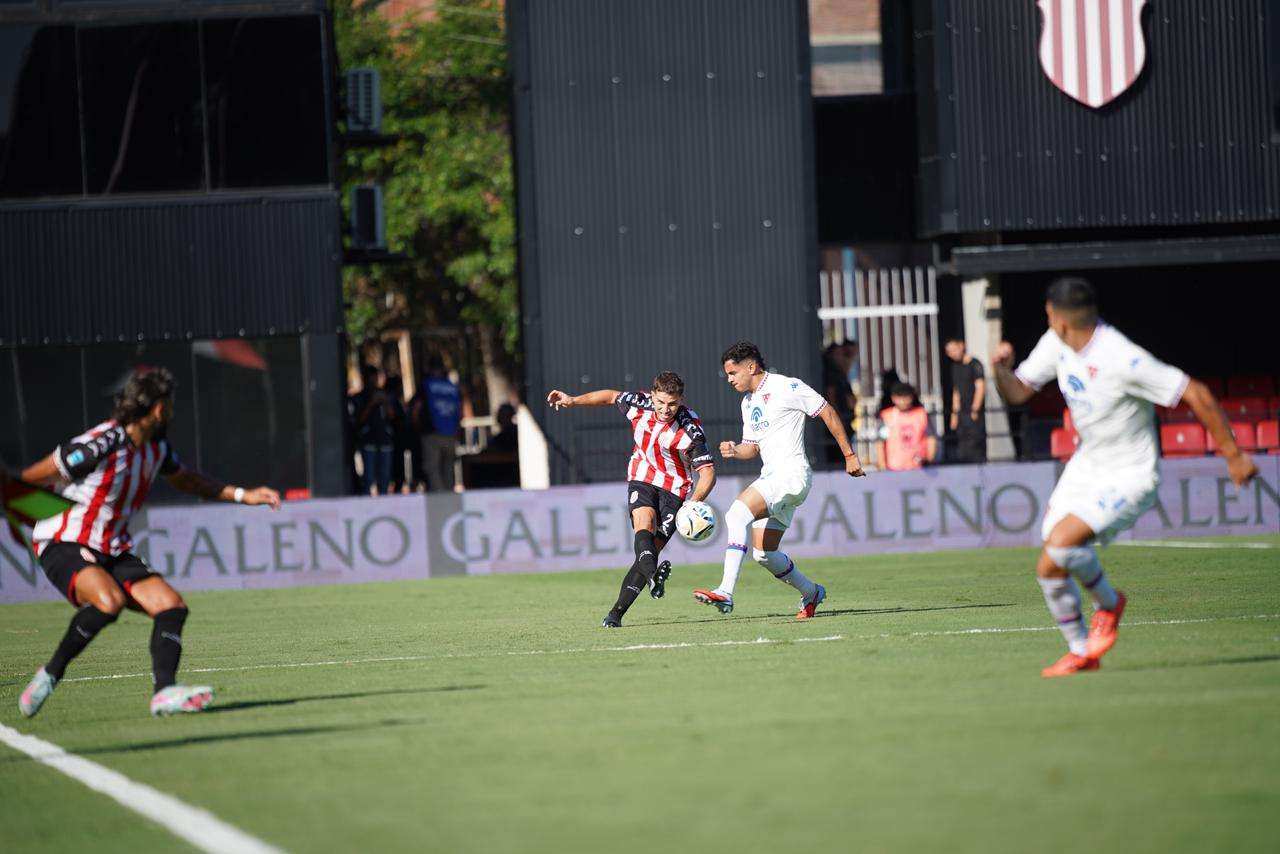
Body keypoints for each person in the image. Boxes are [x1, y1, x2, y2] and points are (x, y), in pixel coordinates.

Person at [992, 277, 1258, 678]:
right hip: (1087, 465)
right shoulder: (1055, 342)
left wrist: (1234, 456)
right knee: (1049, 566)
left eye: (1048, 312)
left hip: (1131, 474)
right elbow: (1016, 393)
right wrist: (1000, 369)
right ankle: (1082, 651)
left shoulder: (1122, 357)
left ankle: (1109, 603)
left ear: (1059, 317)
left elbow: (1197, 393)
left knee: (1062, 545)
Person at [17, 368, 281, 718]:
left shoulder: (157, 448)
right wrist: (17, 505)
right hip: (63, 540)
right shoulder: (101, 443)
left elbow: (187, 480)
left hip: (110, 547)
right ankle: (50, 675)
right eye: (169, 405)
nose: (171, 412)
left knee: (171, 607)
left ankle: (164, 693)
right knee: (108, 601)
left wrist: (242, 495)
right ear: (158, 409)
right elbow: (32, 478)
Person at [693, 342, 865, 619]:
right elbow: (753, 447)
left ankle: (725, 591)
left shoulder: (787, 387)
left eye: (733, 372)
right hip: (774, 477)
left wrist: (849, 455)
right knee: (764, 554)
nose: (729, 379)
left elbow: (827, 411)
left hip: (791, 474)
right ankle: (811, 593)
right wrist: (737, 450)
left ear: (751, 367)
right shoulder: (748, 402)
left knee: (736, 515)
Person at [547, 372, 716, 627]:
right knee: (643, 524)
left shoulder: (690, 430)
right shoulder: (640, 403)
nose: (665, 409)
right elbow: (609, 396)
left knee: (650, 551)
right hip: (642, 476)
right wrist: (573, 400)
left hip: (675, 489)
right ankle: (622, 608)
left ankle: (627, 601)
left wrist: (694, 503)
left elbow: (708, 474)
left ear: (680, 399)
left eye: (672, 403)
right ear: (652, 395)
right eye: (660, 402)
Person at [415, 357, 461, 492]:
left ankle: (439, 498)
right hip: (450, 433)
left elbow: (416, 409)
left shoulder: (426, 385)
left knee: (432, 469)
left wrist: (418, 428)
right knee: (448, 469)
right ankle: (449, 497)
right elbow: (459, 410)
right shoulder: (452, 387)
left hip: (431, 434)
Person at [350, 365, 396, 495]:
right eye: (371, 378)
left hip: (385, 441)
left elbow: (392, 416)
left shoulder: (384, 394)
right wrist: (371, 403)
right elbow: (359, 420)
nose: (374, 380)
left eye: (376, 377)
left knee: (385, 477)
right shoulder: (360, 397)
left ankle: (384, 502)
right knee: (368, 478)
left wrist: (384, 402)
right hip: (368, 441)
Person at [877, 382, 936, 471]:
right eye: (900, 397)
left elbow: (931, 438)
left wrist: (929, 459)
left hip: (919, 467)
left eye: (906, 397)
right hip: (894, 468)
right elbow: (880, 442)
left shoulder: (921, 414)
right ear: (893, 398)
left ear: (912, 397)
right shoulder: (887, 416)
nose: (903, 401)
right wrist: (882, 465)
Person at [946, 336, 987, 463]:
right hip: (961, 411)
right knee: (962, 442)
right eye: (949, 351)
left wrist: (975, 408)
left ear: (961, 346)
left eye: (954, 349)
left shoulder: (975, 364)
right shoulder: (955, 367)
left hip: (973, 410)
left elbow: (980, 387)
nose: (953, 353)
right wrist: (954, 414)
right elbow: (956, 391)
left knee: (975, 441)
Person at [822, 342, 858, 465]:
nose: (842, 357)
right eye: (838, 354)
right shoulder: (831, 374)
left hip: (846, 418)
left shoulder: (840, 373)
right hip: (839, 419)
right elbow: (831, 394)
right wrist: (837, 415)